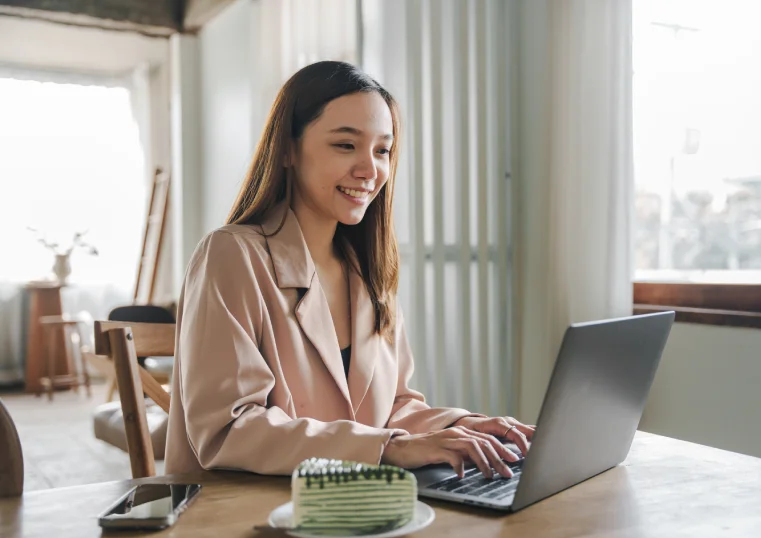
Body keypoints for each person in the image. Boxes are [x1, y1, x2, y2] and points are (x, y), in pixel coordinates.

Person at [165, 61, 534, 480]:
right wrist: (389, 448)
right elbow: (228, 430)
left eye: (382, 150)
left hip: (350, 510)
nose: (369, 169)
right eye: (345, 145)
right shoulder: (231, 255)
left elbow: (391, 408)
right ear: (287, 149)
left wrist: (457, 426)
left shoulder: (370, 272)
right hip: (244, 518)